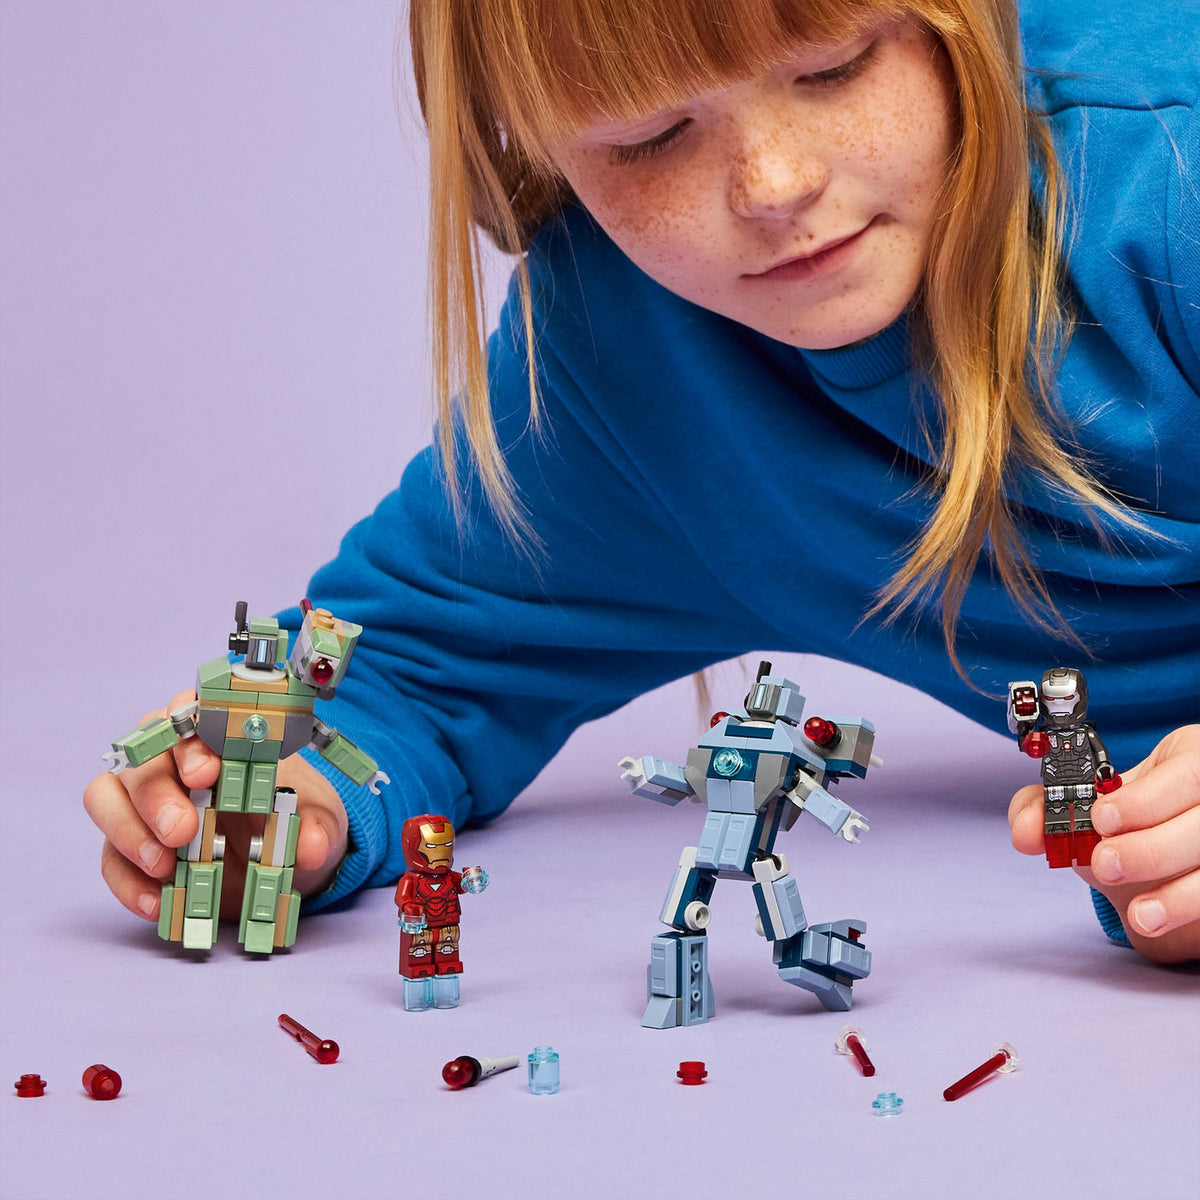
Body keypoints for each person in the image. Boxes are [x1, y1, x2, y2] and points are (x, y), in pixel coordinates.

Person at [83, 0, 1198, 964]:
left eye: (832, 66)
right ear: (532, 143)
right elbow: (410, 670)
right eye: (651, 135)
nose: (776, 185)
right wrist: (267, 802)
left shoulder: (1165, 180)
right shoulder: (623, 355)